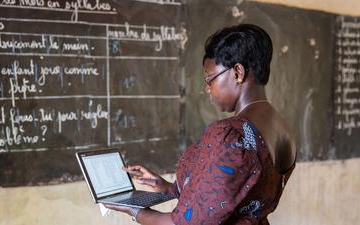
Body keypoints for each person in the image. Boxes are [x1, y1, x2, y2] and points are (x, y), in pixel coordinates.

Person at [105, 24, 297, 225]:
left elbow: (183, 224)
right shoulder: (284, 129)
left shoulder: (230, 134)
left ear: (238, 72)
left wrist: (131, 209)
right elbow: (234, 193)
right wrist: (166, 186)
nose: (207, 88)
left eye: (210, 78)